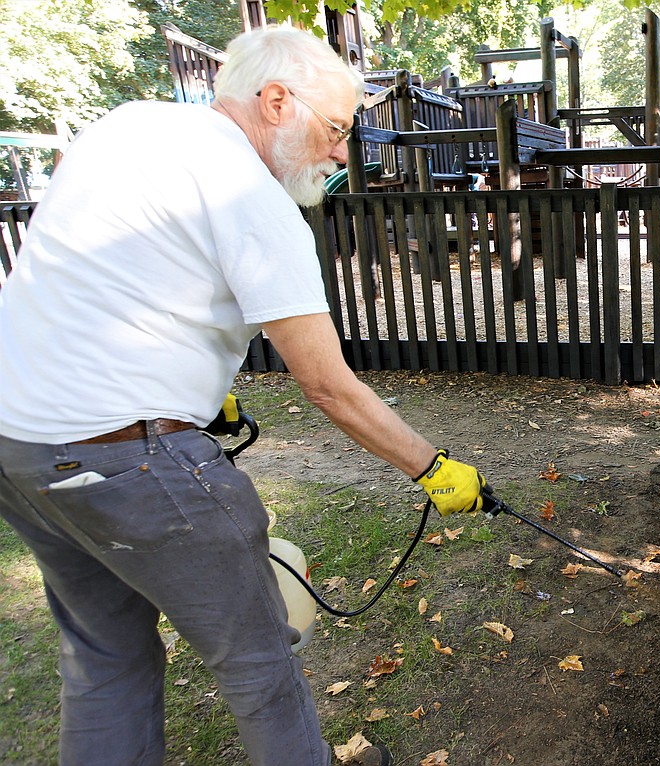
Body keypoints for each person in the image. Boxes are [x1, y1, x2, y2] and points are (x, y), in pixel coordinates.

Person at [0, 28, 489, 766]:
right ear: (275, 101)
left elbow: (115, 266)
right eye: (334, 131)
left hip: (20, 449)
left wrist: (194, 389)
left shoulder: (128, 126)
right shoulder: (250, 192)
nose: (338, 156)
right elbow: (327, 383)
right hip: (128, 457)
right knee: (259, 661)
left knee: (103, 659)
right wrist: (433, 468)